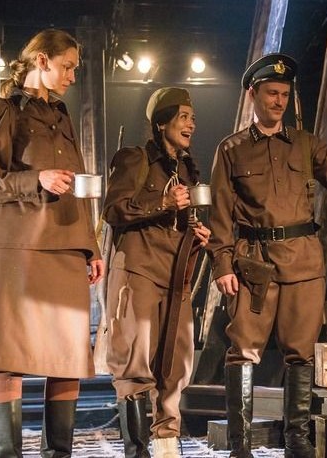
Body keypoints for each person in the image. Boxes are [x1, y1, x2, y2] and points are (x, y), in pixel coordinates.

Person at [208, 53, 327, 458]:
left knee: (301, 352)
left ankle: (296, 439)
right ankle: (240, 444)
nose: (279, 101)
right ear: (253, 95)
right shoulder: (232, 149)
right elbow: (220, 214)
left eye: (284, 94)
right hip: (253, 263)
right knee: (243, 350)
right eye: (271, 93)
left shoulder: (305, 143)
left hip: (302, 261)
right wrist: (222, 265)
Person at [0, 29, 104, 457]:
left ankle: (58, 453)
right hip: (17, 248)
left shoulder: (62, 116)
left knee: (67, 357)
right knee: (9, 355)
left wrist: (91, 246)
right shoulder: (2, 110)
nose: (72, 76)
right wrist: (36, 179)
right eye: (67, 67)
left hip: (65, 246)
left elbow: (78, 187)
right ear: (41, 61)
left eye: (75, 69)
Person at [102, 87, 210, 458]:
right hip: (139, 270)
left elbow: (179, 220)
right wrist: (162, 201)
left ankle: (166, 446)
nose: (191, 124)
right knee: (134, 362)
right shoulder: (135, 158)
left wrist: (197, 233)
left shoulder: (186, 169)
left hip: (175, 276)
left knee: (176, 365)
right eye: (183, 117)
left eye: (193, 118)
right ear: (162, 123)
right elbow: (113, 209)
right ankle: (137, 450)